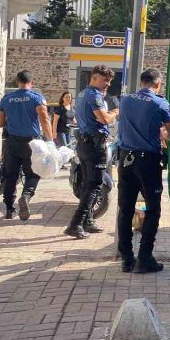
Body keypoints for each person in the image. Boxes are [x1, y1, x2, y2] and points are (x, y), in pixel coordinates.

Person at [116, 69, 170, 273]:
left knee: (125, 209)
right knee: (152, 208)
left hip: (125, 159)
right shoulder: (160, 103)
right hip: (147, 161)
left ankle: (126, 259)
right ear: (158, 84)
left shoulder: (124, 100)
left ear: (142, 82)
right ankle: (144, 258)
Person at [64, 65, 118, 239]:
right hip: (94, 144)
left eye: (109, 81)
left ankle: (88, 221)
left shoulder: (82, 94)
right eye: (105, 80)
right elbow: (103, 118)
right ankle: (75, 224)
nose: (108, 85)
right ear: (94, 78)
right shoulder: (94, 95)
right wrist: (115, 112)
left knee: (88, 184)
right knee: (94, 185)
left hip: (85, 142)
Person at [0, 70, 53, 221]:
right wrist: (50, 140)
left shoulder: (6, 99)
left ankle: (9, 209)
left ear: (17, 82)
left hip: (12, 142)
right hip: (32, 144)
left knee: (10, 175)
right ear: (32, 82)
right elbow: (45, 119)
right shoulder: (37, 99)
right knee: (33, 173)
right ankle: (26, 196)